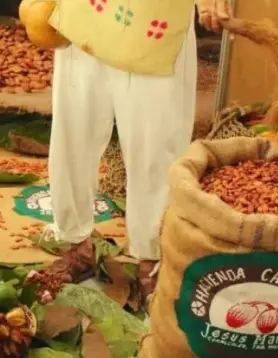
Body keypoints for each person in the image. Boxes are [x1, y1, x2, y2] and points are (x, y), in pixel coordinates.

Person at [43, 0, 233, 297]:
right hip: (86, 16)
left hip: (155, 20)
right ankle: (76, 246)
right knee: (74, 133)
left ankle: (151, 264)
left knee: (156, 148)